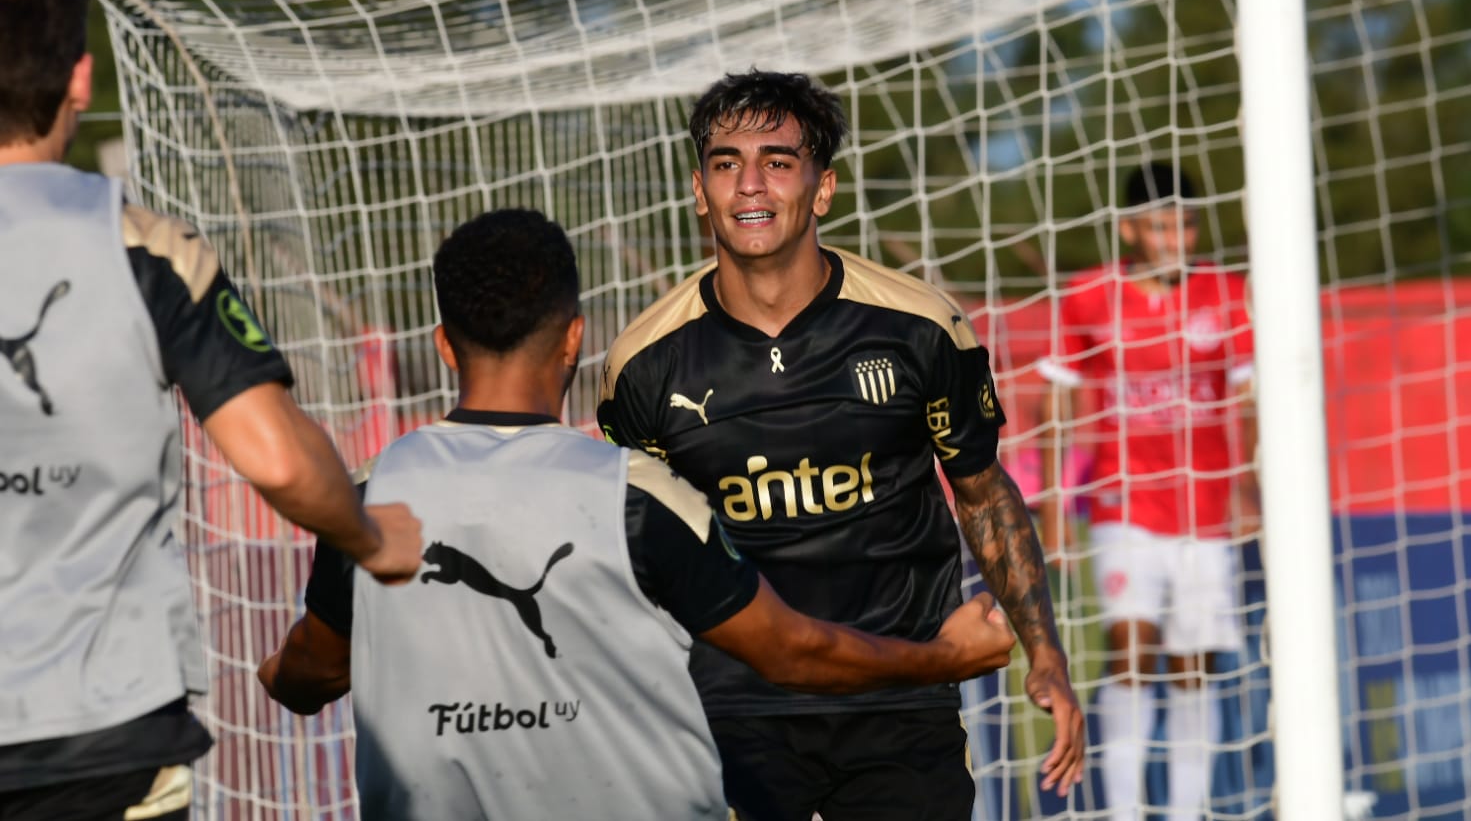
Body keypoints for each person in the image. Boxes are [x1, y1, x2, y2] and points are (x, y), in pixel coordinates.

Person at [258, 208, 1017, 820]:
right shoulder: (635, 494)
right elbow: (788, 651)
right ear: (575, 340)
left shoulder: (372, 493)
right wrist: (943, 658)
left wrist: (276, 670)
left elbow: (311, 673)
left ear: (443, 347)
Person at [0, 0, 423, 821]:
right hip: (104, 736)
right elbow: (276, 460)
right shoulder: (145, 249)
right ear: (81, 78)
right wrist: (371, 538)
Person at [595, 69, 1086, 821]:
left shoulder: (921, 327)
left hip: (901, 701)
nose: (749, 185)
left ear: (822, 188)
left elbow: (983, 494)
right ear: (699, 190)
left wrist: (1044, 649)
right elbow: (635, 557)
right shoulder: (642, 364)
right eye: (726, 164)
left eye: (777, 162)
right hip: (733, 715)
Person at [1039, 161, 1257, 821]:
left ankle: (1186, 812)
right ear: (1131, 231)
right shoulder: (1088, 295)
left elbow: (1247, 398)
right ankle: (1124, 812)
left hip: (1203, 510)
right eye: (1160, 227)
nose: (1174, 240)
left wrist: (1248, 483)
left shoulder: (1226, 294)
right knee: (1130, 652)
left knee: (1191, 665)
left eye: (1185, 226)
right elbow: (1056, 404)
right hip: (1122, 501)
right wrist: (1054, 508)